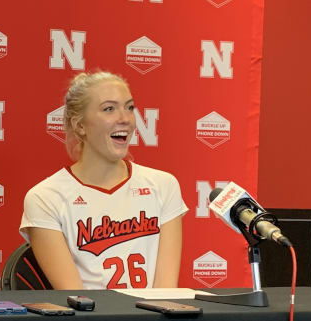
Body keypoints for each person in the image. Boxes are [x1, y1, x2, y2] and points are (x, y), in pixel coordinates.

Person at [20, 71, 188, 290]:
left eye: (129, 107)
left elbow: (167, 290)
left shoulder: (164, 185)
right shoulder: (45, 197)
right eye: (109, 109)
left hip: (155, 320)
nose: (125, 119)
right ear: (80, 126)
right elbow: (74, 298)